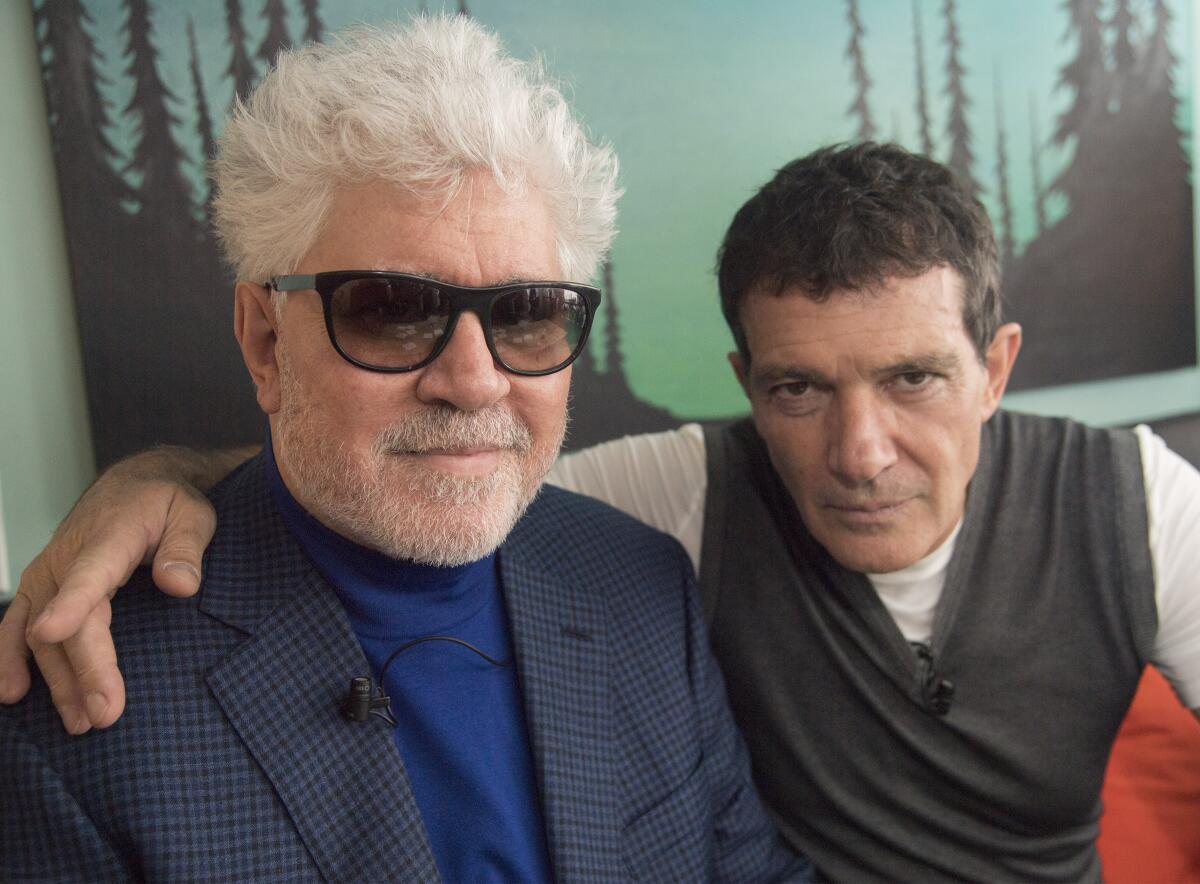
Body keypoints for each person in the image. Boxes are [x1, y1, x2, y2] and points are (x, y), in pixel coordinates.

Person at [4, 139, 1199, 881]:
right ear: (744, 387)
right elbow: (426, 461)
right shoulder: (678, 495)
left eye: (914, 378)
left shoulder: (1136, 497)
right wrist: (159, 476)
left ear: (996, 366)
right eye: (798, 387)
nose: (860, 450)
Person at [0, 17, 810, 883]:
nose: (473, 381)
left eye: (527, 312)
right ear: (266, 342)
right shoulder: (69, 706)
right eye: (389, 309)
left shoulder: (639, 582)